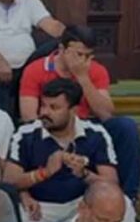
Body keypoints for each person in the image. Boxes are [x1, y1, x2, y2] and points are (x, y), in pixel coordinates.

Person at [2, 78, 136, 222]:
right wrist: (43, 173)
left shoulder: (96, 133)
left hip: (81, 206)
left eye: (54, 107)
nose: (45, 112)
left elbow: (111, 184)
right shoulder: (26, 134)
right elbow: (9, 181)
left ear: (73, 110)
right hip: (41, 208)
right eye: (43, 105)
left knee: (123, 203)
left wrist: (84, 174)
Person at [20, 24, 140, 199]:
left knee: (125, 127)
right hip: (52, 127)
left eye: (89, 55)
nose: (84, 60)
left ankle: (127, 197)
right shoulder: (36, 69)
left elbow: (106, 114)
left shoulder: (96, 70)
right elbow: (29, 116)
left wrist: (82, 77)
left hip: (89, 129)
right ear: (62, 49)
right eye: (79, 54)